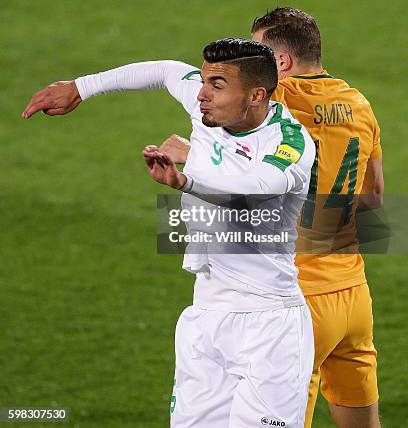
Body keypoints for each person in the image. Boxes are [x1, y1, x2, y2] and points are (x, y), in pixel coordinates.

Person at [23, 38, 316, 428]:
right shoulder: (205, 106)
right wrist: (81, 87)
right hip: (205, 315)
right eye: (204, 79)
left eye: (216, 85)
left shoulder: (290, 142)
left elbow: (253, 191)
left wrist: (187, 171)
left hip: (269, 323)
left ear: (256, 95)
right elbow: (164, 70)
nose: (200, 94)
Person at [160, 10, 384, 428]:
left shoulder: (274, 101)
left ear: (278, 64)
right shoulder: (360, 105)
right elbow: (375, 203)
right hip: (354, 294)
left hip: (296, 296)